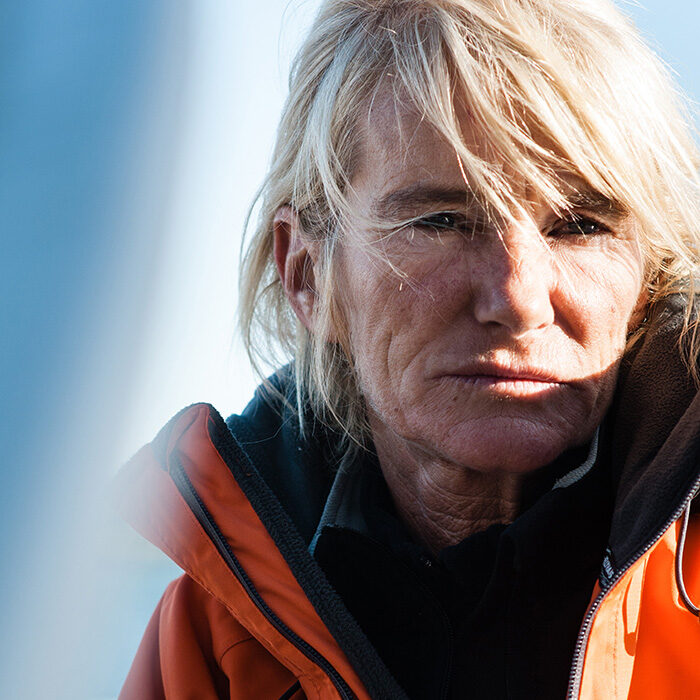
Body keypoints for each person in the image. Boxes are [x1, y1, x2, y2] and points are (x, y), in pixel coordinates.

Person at [116, 0, 700, 698]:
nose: (517, 298)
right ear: (307, 275)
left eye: (580, 225)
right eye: (443, 221)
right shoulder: (218, 638)